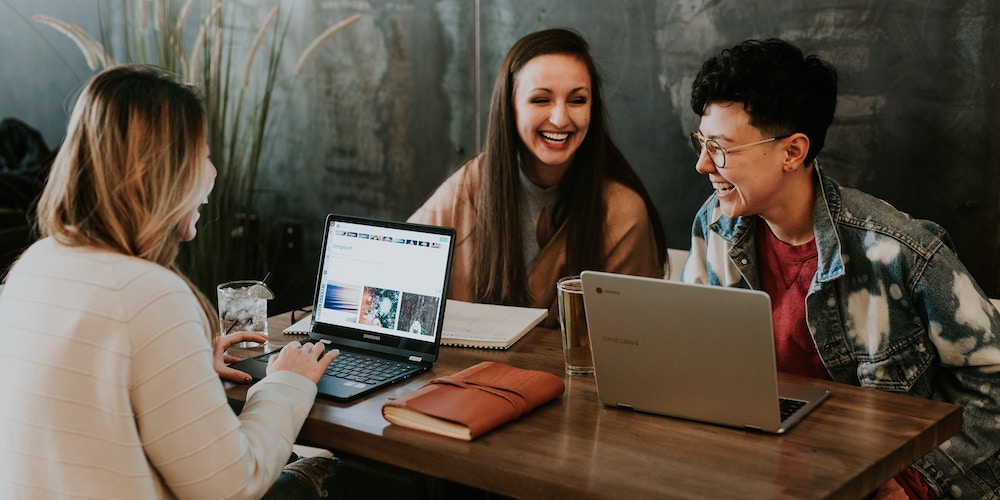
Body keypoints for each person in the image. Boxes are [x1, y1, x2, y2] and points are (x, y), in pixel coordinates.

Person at [0, 65, 342, 499]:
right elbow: (232, 486)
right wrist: (287, 383)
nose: (212, 172)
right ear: (150, 175)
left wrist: (187, 361)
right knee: (328, 468)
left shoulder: (35, 263)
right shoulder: (149, 295)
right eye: (200, 156)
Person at [682, 38, 1000, 498]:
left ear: (793, 152)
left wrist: (915, 480)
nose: (702, 164)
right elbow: (691, 358)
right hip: (755, 467)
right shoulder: (714, 225)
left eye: (720, 147)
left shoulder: (899, 251)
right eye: (701, 142)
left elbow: (992, 381)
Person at [409, 28, 667, 326]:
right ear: (510, 107)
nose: (560, 119)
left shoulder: (623, 212)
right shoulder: (471, 184)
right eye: (541, 100)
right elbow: (398, 269)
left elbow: (634, 338)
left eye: (577, 100)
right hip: (463, 371)